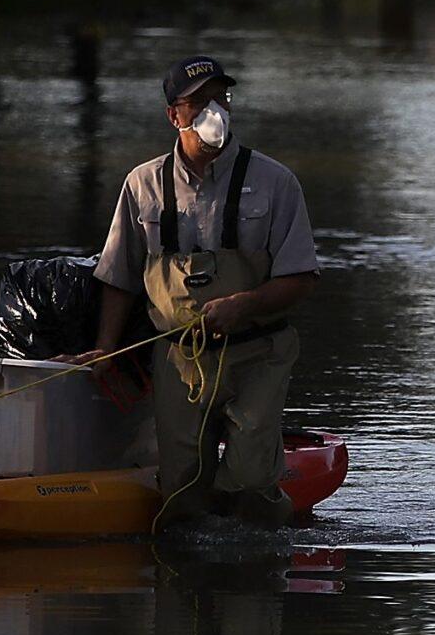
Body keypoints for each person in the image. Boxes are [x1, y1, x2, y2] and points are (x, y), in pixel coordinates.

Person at [72, 56, 318, 525]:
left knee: (250, 479)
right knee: (182, 491)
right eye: (199, 102)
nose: (214, 111)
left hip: (258, 354)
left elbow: (301, 278)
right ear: (174, 115)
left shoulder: (276, 182)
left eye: (221, 98)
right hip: (178, 359)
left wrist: (246, 304)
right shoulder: (142, 184)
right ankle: (191, 557)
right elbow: (119, 277)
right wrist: (105, 348)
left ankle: (269, 544)